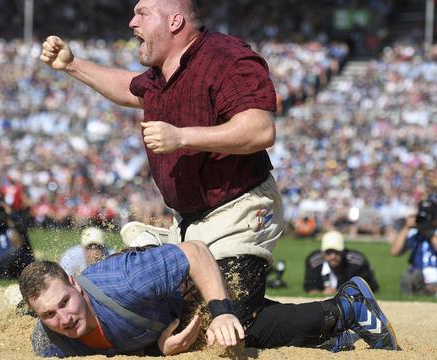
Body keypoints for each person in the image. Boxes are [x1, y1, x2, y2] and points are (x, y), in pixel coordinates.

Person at [41, 0, 283, 329]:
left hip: (239, 208)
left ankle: (343, 310)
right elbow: (130, 89)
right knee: (170, 314)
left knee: (227, 320)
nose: (131, 22)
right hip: (189, 221)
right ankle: (151, 249)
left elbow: (260, 129)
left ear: (174, 21)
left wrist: (181, 137)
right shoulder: (160, 74)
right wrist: (72, 65)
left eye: (142, 13)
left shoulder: (226, 57)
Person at [19, 241, 399, 357]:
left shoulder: (127, 281)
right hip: (163, 316)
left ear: (76, 283)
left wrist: (219, 312)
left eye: (65, 302)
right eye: (49, 314)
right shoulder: (50, 342)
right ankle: (330, 337)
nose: (63, 318)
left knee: (237, 330)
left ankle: (346, 306)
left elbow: (196, 254)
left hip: (195, 279)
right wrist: (161, 349)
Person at [391, 199, 437, 295]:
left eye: (428, 217)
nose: (425, 220)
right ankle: (415, 287)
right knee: (410, 277)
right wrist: (406, 227)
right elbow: (395, 251)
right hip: (419, 275)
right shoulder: (415, 233)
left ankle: (424, 290)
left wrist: (428, 233)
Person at [304, 230, 379, 294]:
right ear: (322, 253)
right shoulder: (314, 262)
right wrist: (322, 293)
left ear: (343, 251)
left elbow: (370, 287)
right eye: (328, 252)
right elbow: (310, 287)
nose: (333, 256)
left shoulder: (356, 263)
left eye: (336, 252)